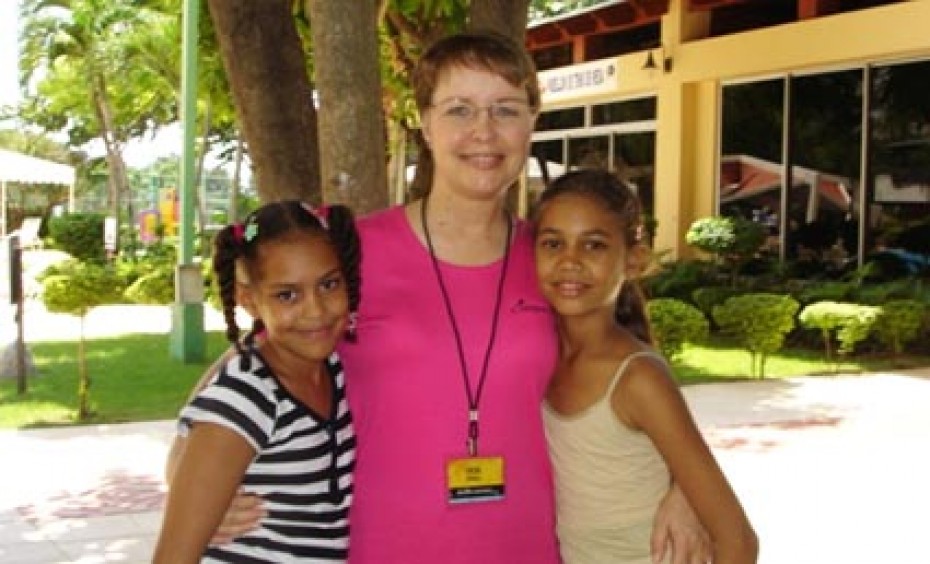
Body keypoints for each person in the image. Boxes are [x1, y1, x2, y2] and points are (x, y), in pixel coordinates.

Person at [171, 30, 710, 564]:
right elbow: (252, 359)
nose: (484, 131)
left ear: (531, 124)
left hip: (525, 548)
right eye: (459, 110)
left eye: (505, 109)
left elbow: (624, 358)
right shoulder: (352, 254)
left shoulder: (554, 259)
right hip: (383, 548)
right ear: (425, 123)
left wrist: (686, 488)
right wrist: (182, 464)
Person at [534, 169, 759, 563]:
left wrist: (685, 489)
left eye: (594, 246)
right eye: (553, 243)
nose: (569, 261)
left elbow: (737, 540)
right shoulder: (538, 355)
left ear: (634, 261)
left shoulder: (637, 379)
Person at [154, 200, 361, 562]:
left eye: (329, 284)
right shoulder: (244, 400)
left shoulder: (335, 373)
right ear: (249, 300)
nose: (316, 310)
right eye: (287, 295)